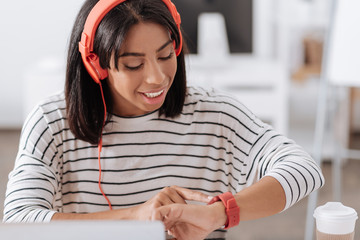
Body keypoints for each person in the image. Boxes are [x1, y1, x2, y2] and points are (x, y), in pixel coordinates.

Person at [3, 0, 324, 239]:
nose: (157, 78)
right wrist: (136, 218)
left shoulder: (216, 114)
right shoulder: (52, 120)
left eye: (165, 55)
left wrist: (219, 214)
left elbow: (303, 168)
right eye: (133, 64)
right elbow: (19, 221)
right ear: (95, 64)